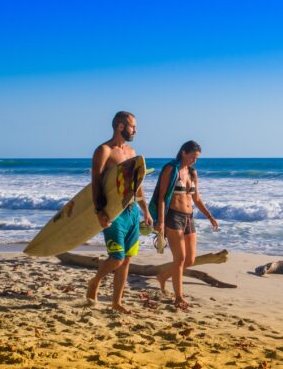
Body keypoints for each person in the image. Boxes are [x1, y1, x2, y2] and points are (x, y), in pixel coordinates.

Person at [86, 111, 153, 313]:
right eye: (133, 126)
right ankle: (94, 281)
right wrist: (99, 211)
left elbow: (137, 185)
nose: (136, 130)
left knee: (127, 260)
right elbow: (96, 183)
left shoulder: (132, 152)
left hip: (131, 211)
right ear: (121, 126)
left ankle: (117, 302)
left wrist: (146, 211)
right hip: (113, 212)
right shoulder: (104, 151)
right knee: (117, 258)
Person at [149, 140, 218, 310]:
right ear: (183, 153)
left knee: (190, 259)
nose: (194, 161)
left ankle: (163, 276)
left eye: (197, 159)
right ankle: (178, 297)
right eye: (192, 157)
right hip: (173, 217)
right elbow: (162, 198)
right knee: (179, 259)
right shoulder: (171, 169)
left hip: (189, 217)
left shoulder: (193, 173)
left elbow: (196, 198)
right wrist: (161, 222)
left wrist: (210, 216)